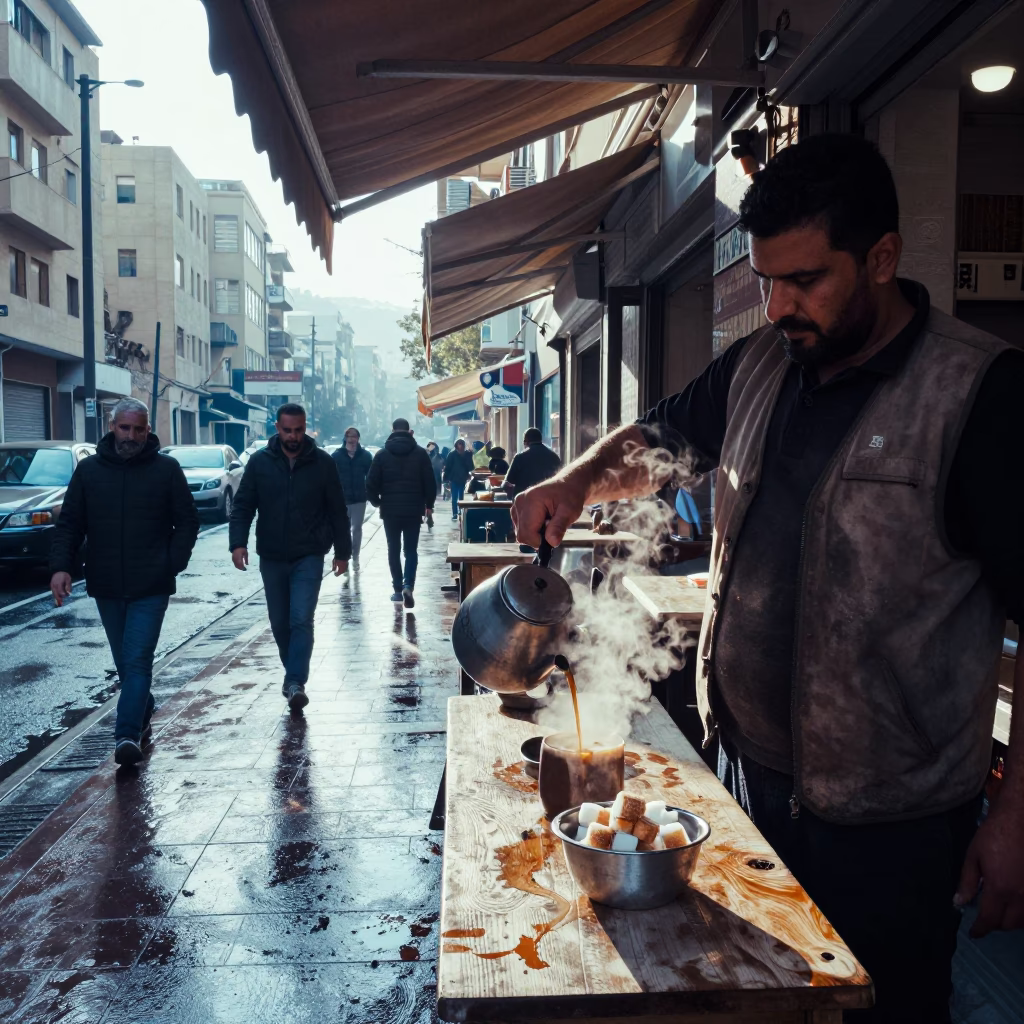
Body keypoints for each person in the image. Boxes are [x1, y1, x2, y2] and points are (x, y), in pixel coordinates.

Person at [511, 134, 1024, 1023]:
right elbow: (656, 444)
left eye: (806, 280)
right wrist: (575, 479)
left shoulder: (979, 393)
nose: (779, 304)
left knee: (881, 1010)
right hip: (746, 781)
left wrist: (1016, 821)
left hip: (891, 827)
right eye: (765, 280)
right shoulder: (758, 364)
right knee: (749, 1001)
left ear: (882, 259)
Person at [49, 397, 199, 767]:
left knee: (137, 661)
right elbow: (70, 524)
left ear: (148, 430)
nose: (130, 435)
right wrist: (61, 567)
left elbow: (188, 522)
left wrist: (171, 563)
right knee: (126, 663)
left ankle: (126, 734)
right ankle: (142, 703)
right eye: (124, 428)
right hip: (106, 583)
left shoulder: (166, 470)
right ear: (112, 427)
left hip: (152, 583)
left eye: (138, 429)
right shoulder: (89, 472)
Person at [230, 403, 351, 711]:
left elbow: (337, 509)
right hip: (271, 555)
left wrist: (342, 552)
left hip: (309, 553)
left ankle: (295, 681)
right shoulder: (259, 463)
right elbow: (243, 505)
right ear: (277, 428)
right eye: (288, 430)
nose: (294, 436)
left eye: (299, 430)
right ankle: (292, 675)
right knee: (280, 622)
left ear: (305, 427)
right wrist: (237, 543)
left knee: (301, 618)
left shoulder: (322, 463)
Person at [366, 417, 436, 608]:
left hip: (390, 510)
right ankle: (408, 585)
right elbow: (430, 482)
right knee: (411, 550)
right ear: (409, 431)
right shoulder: (421, 454)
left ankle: (397, 589)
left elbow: (370, 483)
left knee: (393, 549)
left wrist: (378, 502)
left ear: (392, 430)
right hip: (414, 509)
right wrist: (429, 504)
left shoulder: (381, 455)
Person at [331, 426, 373, 569]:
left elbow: (371, 476)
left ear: (358, 438)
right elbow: (330, 477)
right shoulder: (336, 456)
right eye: (349, 436)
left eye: (354, 436)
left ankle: (355, 556)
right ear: (345, 438)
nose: (352, 439)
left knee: (357, 528)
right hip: (342, 499)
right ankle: (345, 555)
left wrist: (370, 491)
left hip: (360, 498)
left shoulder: (365, 456)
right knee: (344, 529)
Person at [502, 427, 561, 498]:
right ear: (540, 439)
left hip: (524, 500)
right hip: (548, 501)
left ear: (525, 441)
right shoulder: (554, 456)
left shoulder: (520, 457)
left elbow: (507, 483)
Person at [442, 438, 474, 520]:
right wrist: (446, 479)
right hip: (454, 478)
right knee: (454, 497)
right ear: (456, 445)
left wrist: (471, 455)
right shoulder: (452, 455)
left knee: (461, 496)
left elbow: (470, 466)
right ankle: (455, 513)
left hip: (463, 478)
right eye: (459, 444)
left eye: (462, 443)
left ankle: (460, 511)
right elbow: (447, 467)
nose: (461, 445)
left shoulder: (467, 454)